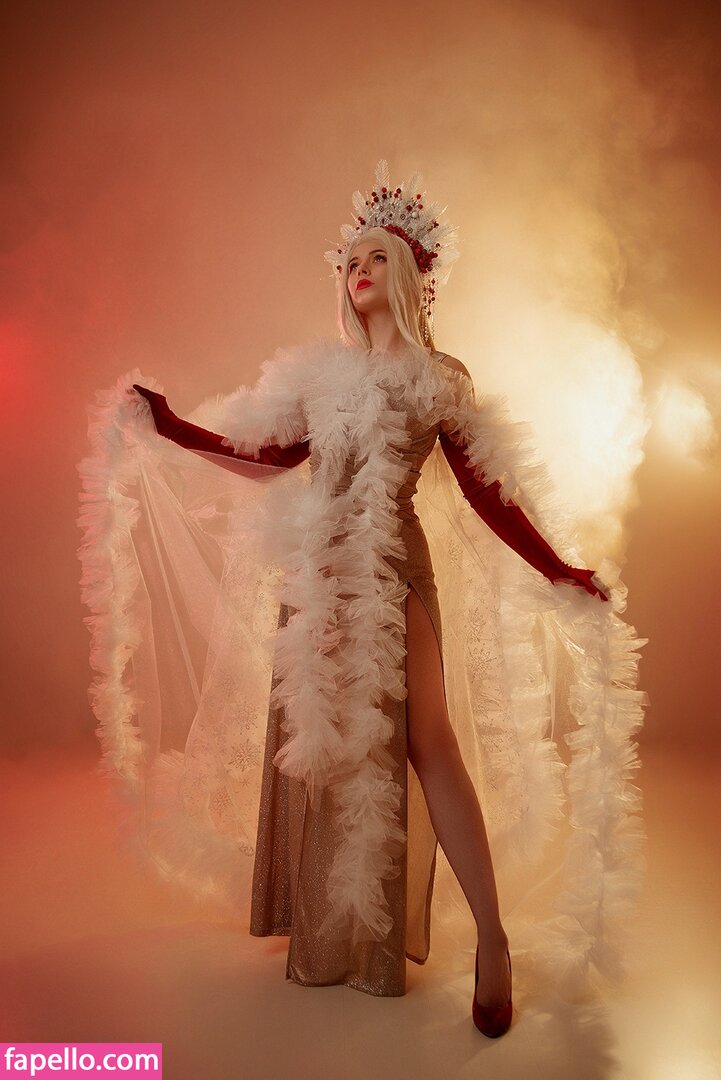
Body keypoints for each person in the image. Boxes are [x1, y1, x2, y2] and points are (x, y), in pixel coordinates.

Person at [77, 162, 646, 1039]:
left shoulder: (438, 377)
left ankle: (493, 943)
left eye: (376, 258)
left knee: (429, 745)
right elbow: (267, 457)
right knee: (325, 747)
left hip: (392, 573)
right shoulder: (322, 378)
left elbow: (486, 490)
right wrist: (171, 422)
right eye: (349, 261)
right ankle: (333, 932)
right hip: (318, 578)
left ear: (410, 275)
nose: (358, 272)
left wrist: (556, 566)